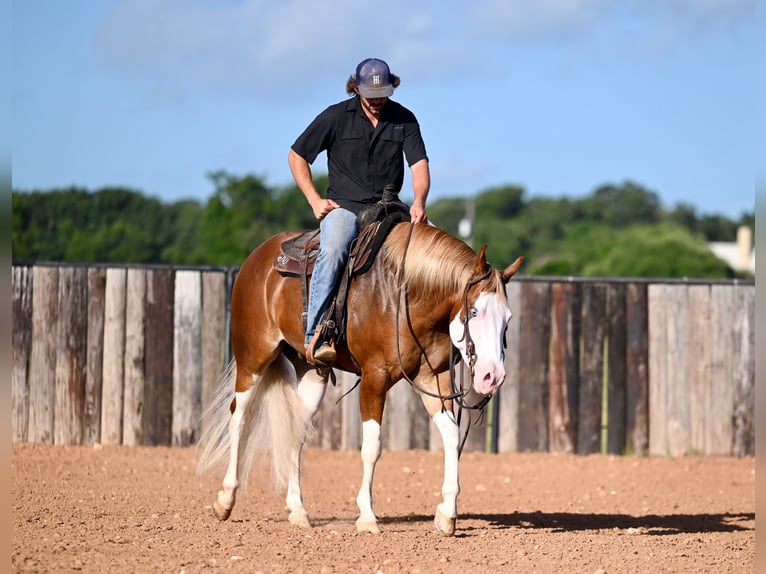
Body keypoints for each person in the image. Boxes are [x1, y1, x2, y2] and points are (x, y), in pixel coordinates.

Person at [288, 57, 431, 365]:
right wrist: (314, 200)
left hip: (389, 210)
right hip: (345, 208)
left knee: (426, 251)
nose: (378, 101)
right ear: (356, 88)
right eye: (371, 95)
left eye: (383, 94)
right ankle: (316, 334)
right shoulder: (334, 117)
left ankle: (426, 334)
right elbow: (297, 156)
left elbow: (419, 165)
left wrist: (419, 201)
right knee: (337, 244)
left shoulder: (405, 119)